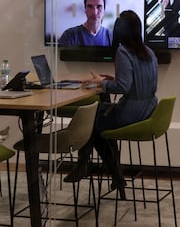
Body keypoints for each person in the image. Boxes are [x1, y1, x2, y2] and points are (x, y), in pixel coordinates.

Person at [63, 10, 158, 200]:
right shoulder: (148, 51)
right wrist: (112, 79)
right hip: (148, 110)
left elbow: (123, 87)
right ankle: (115, 175)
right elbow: (138, 82)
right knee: (100, 125)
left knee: (91, 119)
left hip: (131, 112)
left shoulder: (123, 51)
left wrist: (101, 82)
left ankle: (85, 164)